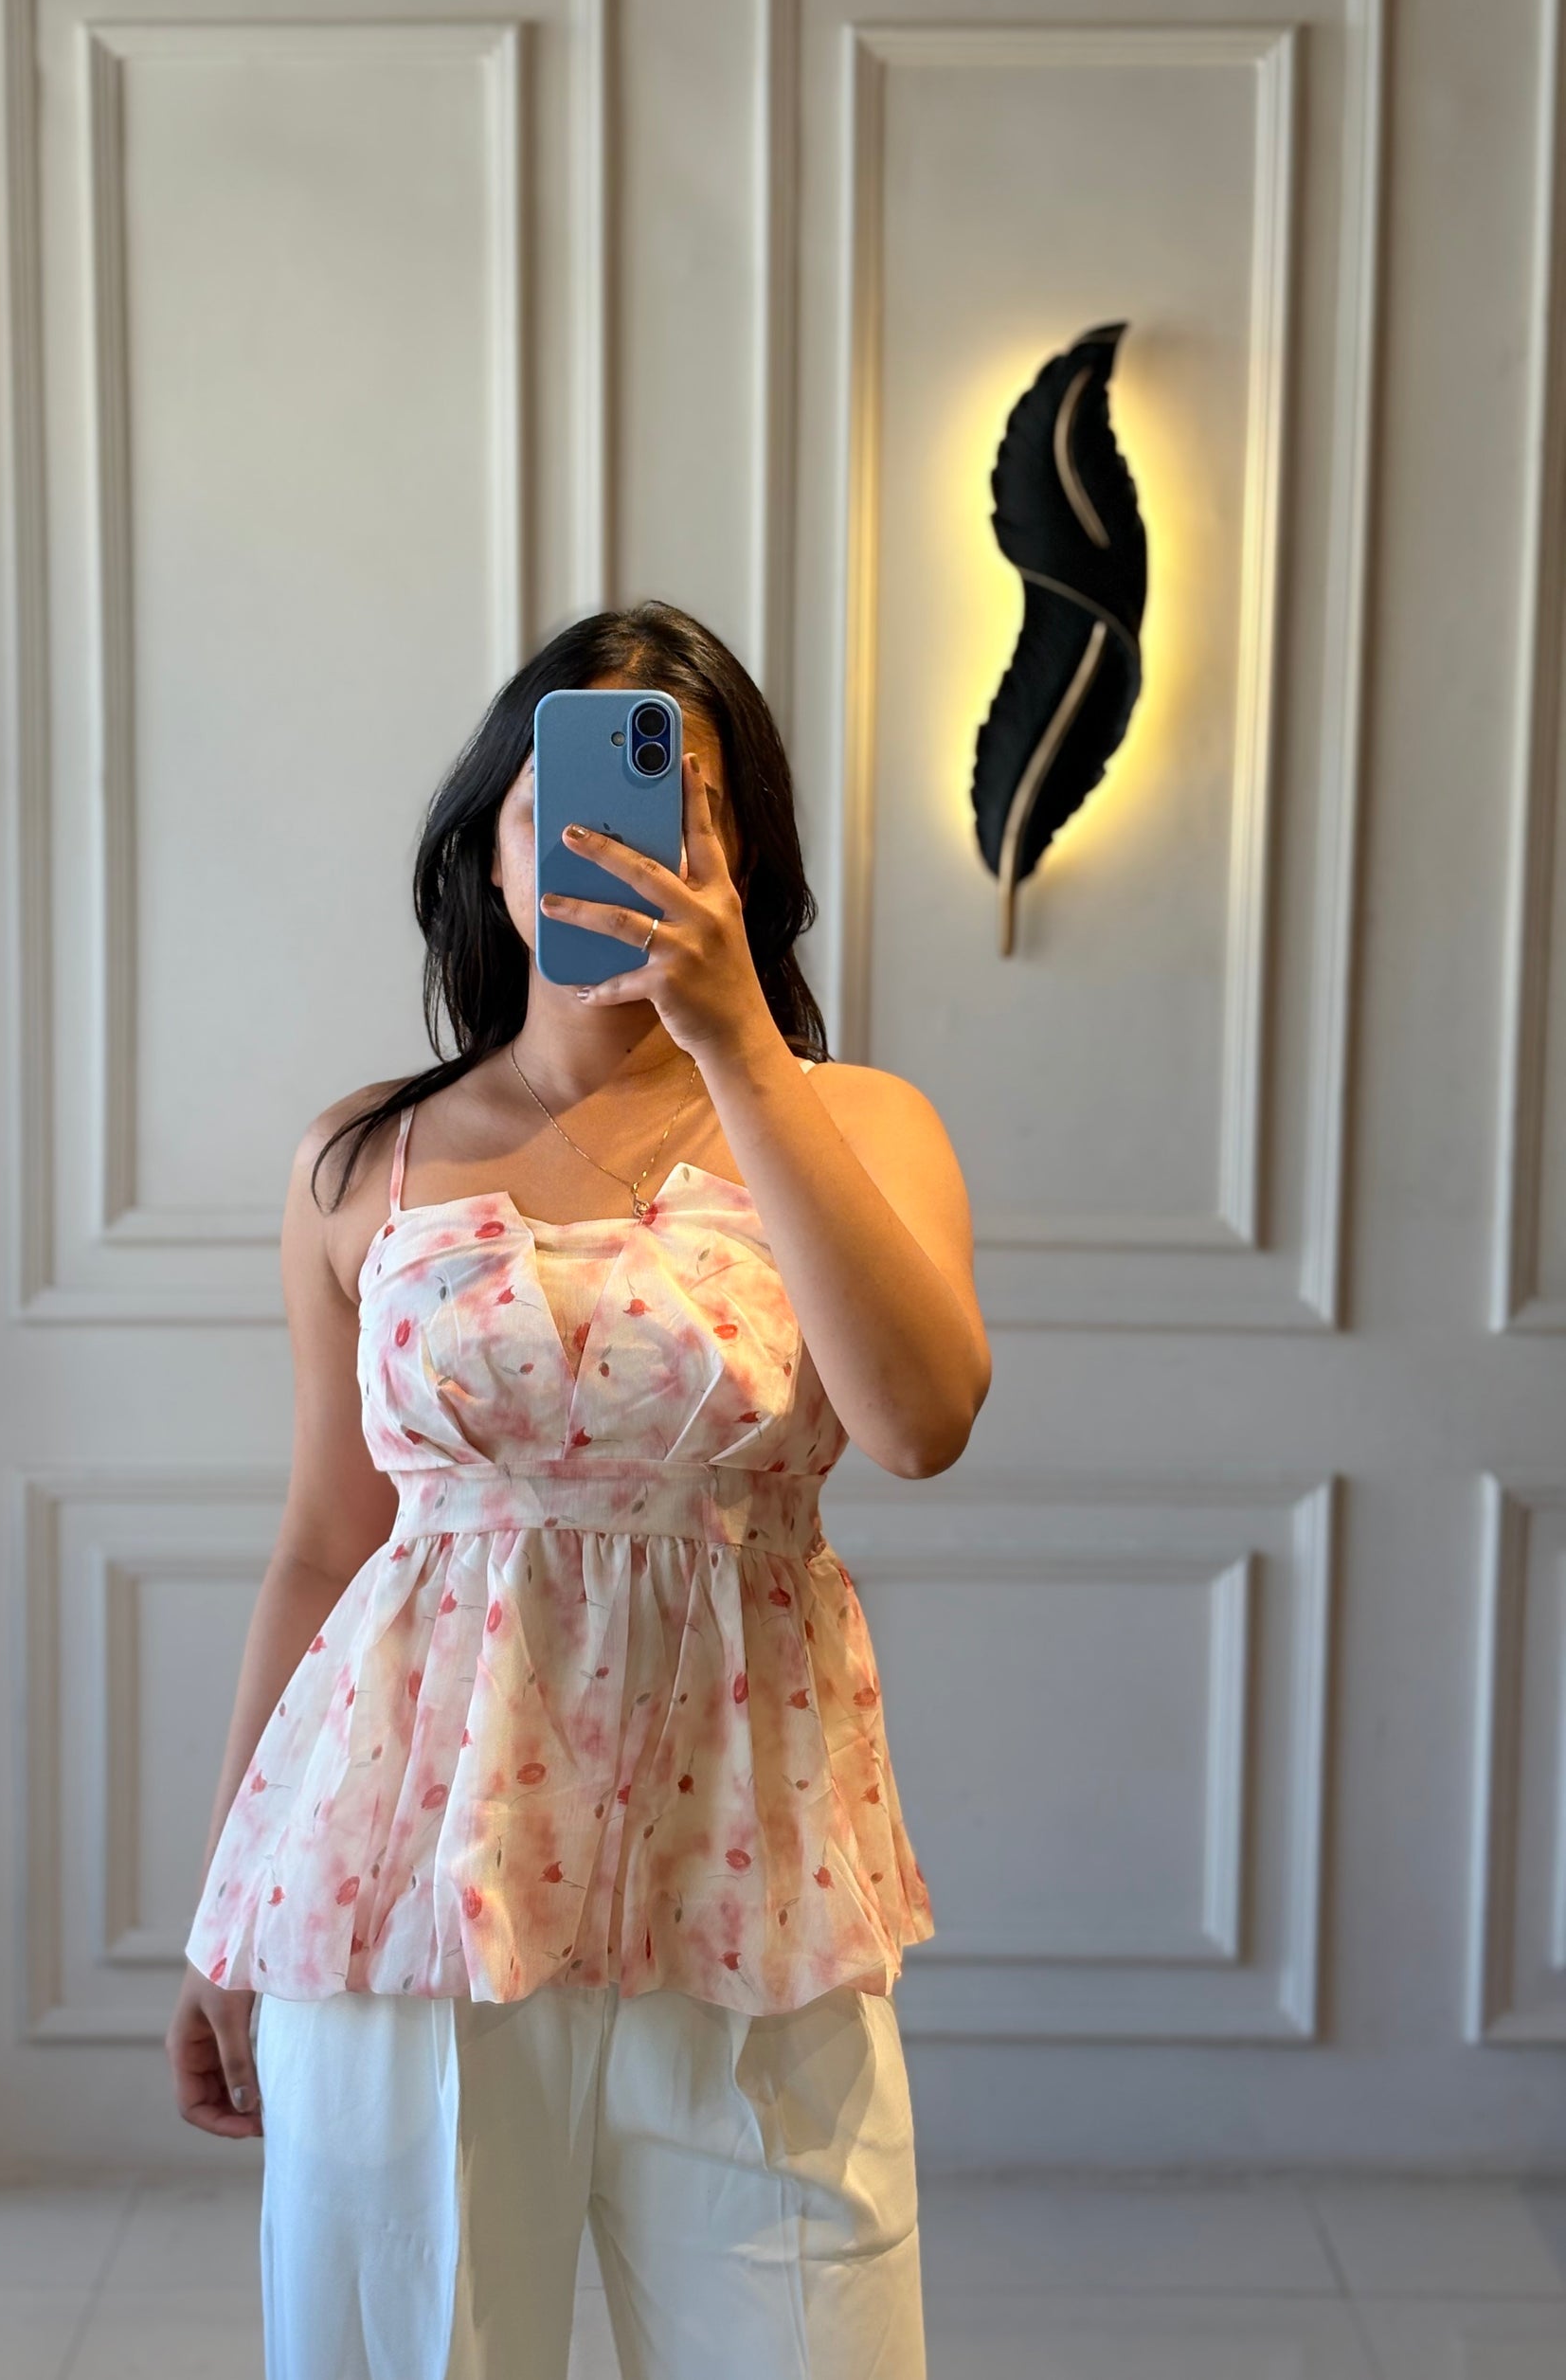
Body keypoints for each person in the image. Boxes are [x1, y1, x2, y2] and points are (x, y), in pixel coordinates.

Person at [165, 601, 991, 2379]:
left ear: (742, 856)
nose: (617, 850)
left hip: (752, 1897)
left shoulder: (859, 1124)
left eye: (678, 812)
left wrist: (734, 1043)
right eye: (566, 809)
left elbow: (920, 1424)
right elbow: (323, 1545)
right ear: (495, 848)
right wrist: (225, 1915)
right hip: (404, 1891)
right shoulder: (364, 1160)